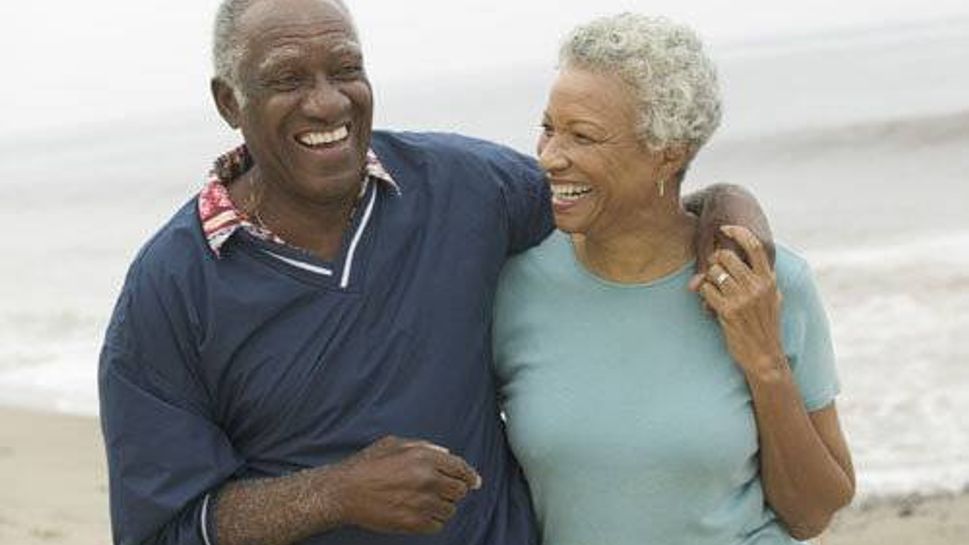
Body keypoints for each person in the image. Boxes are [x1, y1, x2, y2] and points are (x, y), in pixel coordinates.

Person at [98, 1, 772, 544]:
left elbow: (617, 203)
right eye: (286, 79)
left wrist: (724, 205)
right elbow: (163, 530)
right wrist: (335, 493)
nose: (327, 103)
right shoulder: (170, 288)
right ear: (228, 102)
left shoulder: (466, 186)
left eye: (345, 69)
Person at [493, 13, 855, 545]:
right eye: (549, 127)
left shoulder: (766, 282)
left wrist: (765, 363)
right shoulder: (513, 282)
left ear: (669, 153)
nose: (550, 157)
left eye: (583, 136)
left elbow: (812, 515)